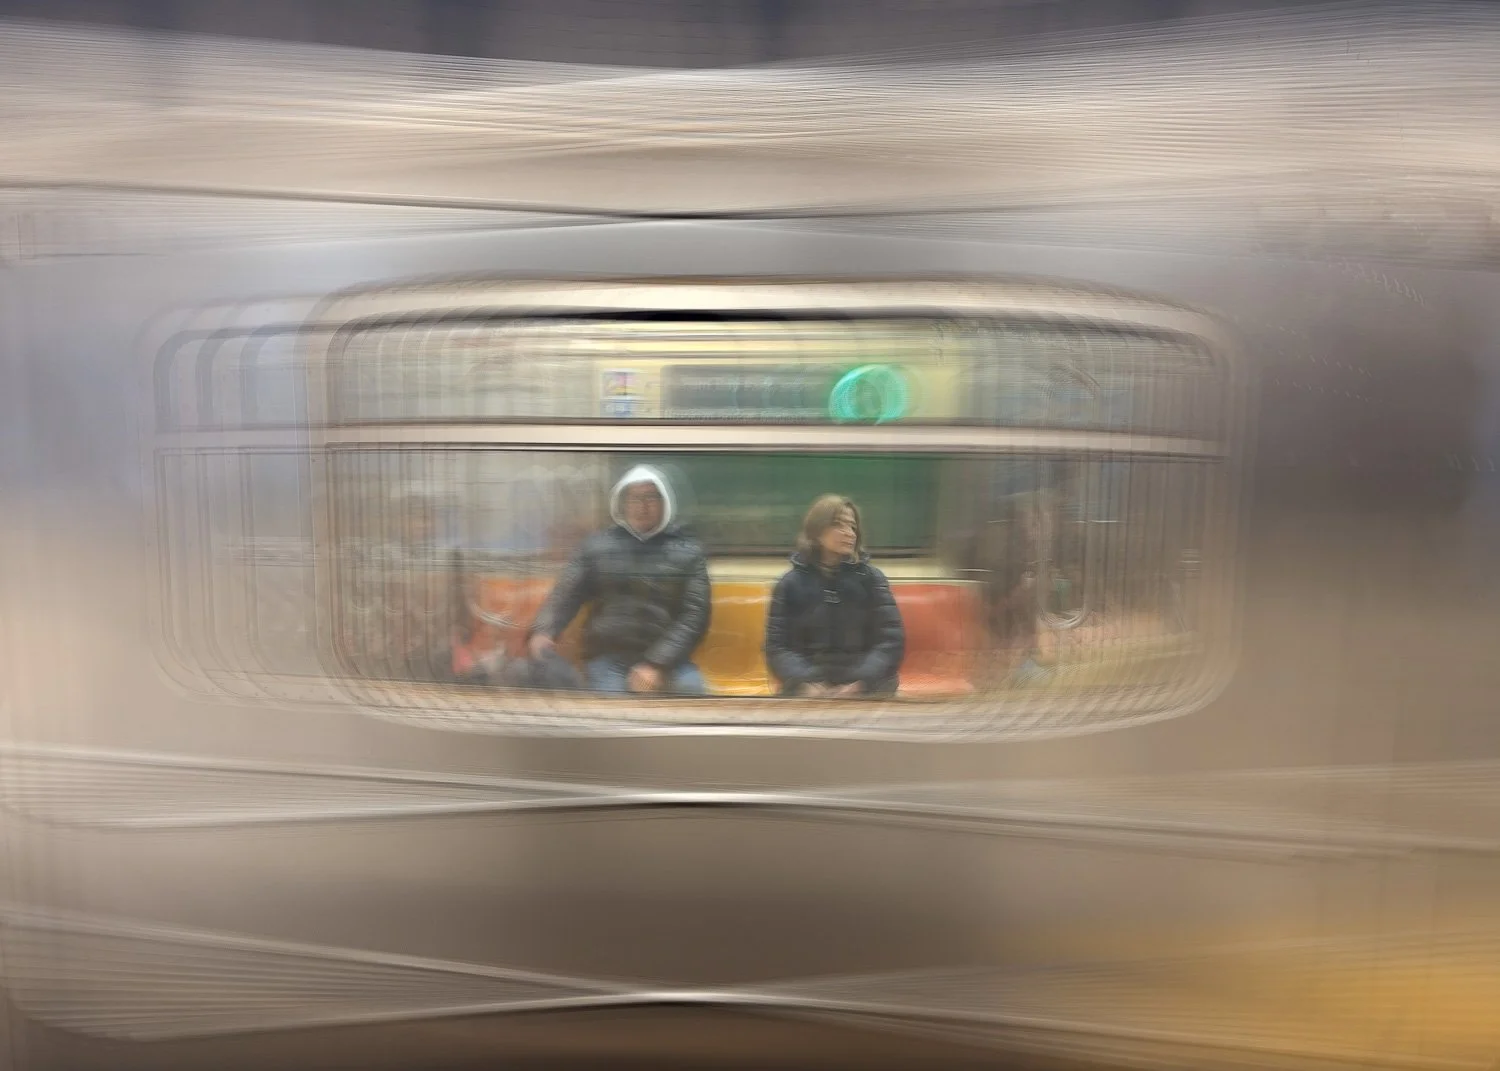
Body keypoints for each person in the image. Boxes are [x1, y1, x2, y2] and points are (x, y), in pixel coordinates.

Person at [527, 465, 711, 695]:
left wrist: (656, 664)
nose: (642, 506)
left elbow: (695, 616)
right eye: (634, 498)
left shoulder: (688, 551)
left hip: (671, 661)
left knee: (693, 694)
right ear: (622, 503)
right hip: (609, 658)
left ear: (665, 502)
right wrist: (545, 630)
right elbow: (567, 592)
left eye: (650, 497)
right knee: (611, 713)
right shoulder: (597, 546)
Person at [764, 494, 905, 698]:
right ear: (817, 530)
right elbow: (777, 648)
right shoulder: (790, 584)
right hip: (808, 686)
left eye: (852, 527)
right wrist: (806, 683)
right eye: (839, 525)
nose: (849, 533)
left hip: (866, 685)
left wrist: (860, 683)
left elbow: (890, 642)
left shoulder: (872, 580)